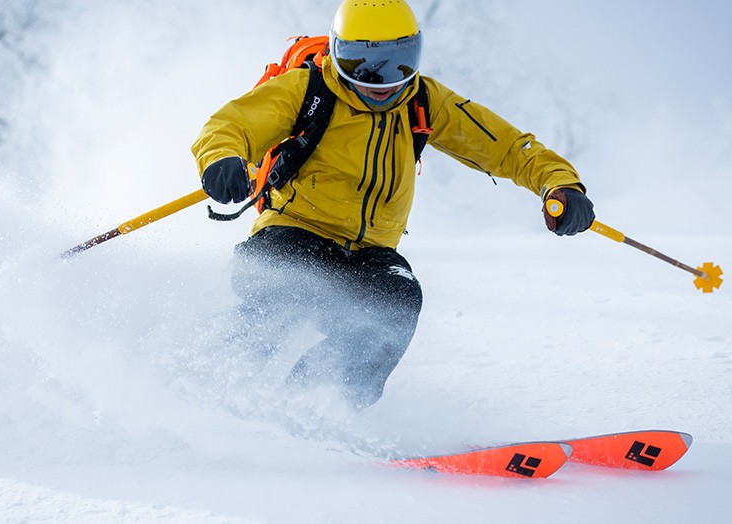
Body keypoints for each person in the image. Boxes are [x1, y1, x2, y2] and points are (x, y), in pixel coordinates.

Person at [191, 0, 595, 408]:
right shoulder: (307, 90)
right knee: (288, 289)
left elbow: (506, 147)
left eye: (399, 63)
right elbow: (230, 125)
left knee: (395, 305)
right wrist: (221, 159)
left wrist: (558, 183)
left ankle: (319, 406)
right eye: (363, 64)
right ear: (338, 53)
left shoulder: (422, 100)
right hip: (294, 231)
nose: (382, 80)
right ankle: (206, 387)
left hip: (370, 254)